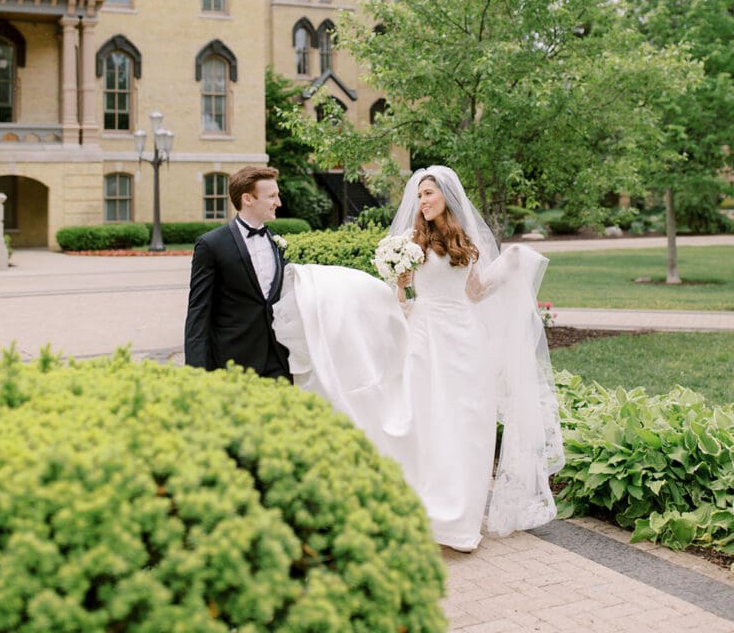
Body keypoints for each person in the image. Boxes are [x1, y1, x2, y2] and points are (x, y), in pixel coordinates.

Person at [272, 166, 564, 551]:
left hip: (465, 339)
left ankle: (462, 519)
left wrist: (509, 267)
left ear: (446, 196)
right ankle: (431, 510)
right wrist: (401, 285)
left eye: (429, 194)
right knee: (426, 421)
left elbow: (475, 293)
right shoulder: (411, 241)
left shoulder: (465, 240)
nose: (423, 201)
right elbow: (403, 300)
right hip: (425, 337)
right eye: (420, 195)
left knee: (467, 423)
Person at [183, 165, 291, 379]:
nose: (278, 202)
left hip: (278, 358)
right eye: (271, 196)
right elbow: (199, 312)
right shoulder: (211, 244)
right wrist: (195, 372)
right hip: (233, 361)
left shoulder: (276, 241)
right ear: (248, 199)